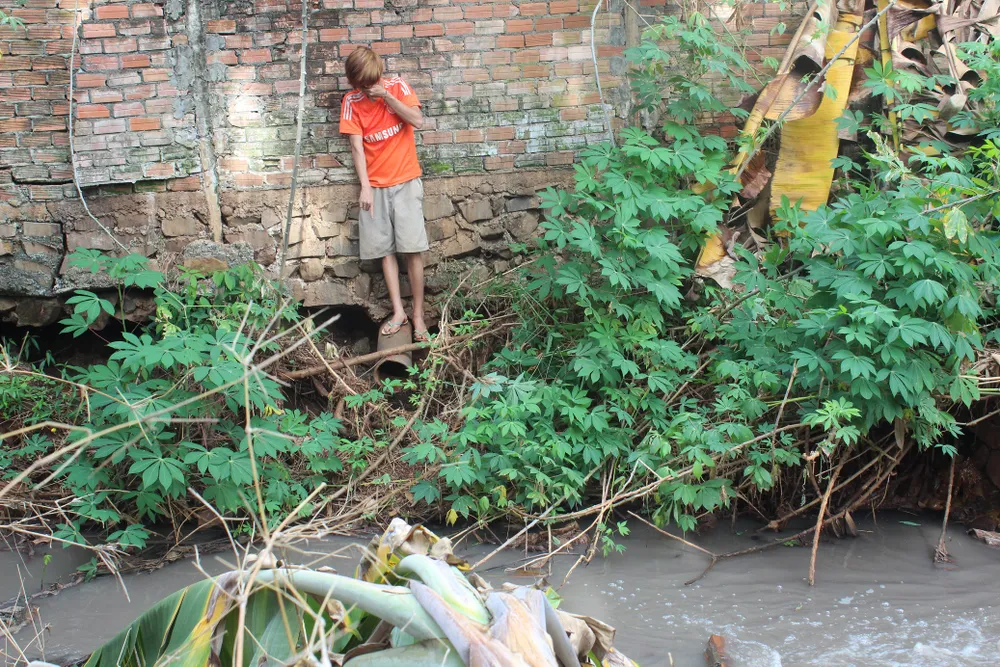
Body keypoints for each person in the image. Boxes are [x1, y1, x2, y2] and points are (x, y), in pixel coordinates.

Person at [339, 46, 429, 341]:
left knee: (412, 249)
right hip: (375, 187)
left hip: (406, 181)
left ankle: (418, 316)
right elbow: (357, 148)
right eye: (361, 84)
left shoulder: (398, 87)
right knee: (385, 251)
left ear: (378, 74)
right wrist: (365, 186)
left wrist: (387, 97)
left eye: (370, 82)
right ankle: (399, 312)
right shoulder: (351, 101)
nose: (367, 88)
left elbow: (417, 120)